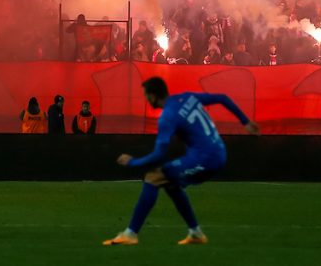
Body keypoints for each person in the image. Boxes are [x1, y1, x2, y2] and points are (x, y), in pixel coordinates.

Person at [103, 77, 259, 247]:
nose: (146, 99)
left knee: (153, 177)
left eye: (146, 95)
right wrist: (245, 122)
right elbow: (222, 98)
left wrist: (132, 162)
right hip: (219, 150)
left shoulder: (167, 116)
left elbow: (159, 155)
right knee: (171, 183)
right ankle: (195, 233)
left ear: (153, 96)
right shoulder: (187, 97)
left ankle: (131, 234)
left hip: (205, 158)